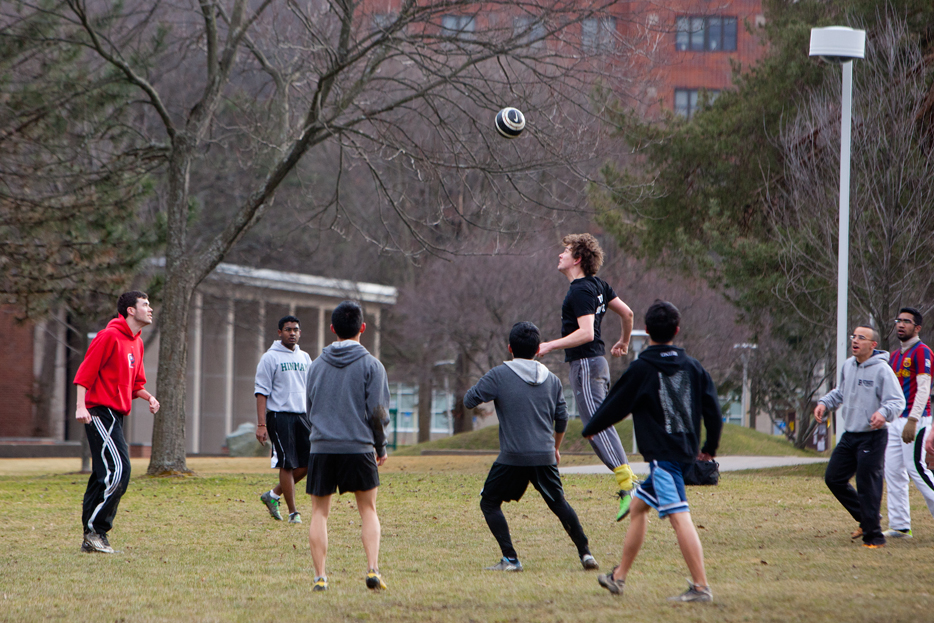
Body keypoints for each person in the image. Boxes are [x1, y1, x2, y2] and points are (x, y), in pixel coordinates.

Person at [583, 300, 721, 603]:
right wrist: (709, 447)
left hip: (664, 458)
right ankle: (618, 578)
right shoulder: (693, 366)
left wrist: (591, 427)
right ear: (677, 330)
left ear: (648, 332)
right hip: (684, 451)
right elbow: (713, 409)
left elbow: (616, 403)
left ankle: (701, 587)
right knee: (637, 509)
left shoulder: (643, 367)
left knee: (679, 517)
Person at [464, 322, 600, 573]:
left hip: (512, 457)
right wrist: (556, 448)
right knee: (559, 503)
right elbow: (562, 418)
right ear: (538, 349)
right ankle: (586, 554)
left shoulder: (499, 375)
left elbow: (469, 399)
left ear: (509, 348)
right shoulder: (553, 380)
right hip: (545, 455)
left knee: (489, 502)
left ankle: (511, 559)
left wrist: (492, 387)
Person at [538, 233, 636, 521]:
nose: (560, 255)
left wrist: (550, 345)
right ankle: (630, 484)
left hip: (585, 366)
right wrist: (624, 342)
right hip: (598, 365)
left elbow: (587, 332)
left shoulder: (580, 290)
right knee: (599, 425)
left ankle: (629, 488)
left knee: (594, 427)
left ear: (577, 259)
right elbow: (627, 313)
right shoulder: (599, 286)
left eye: (565, 251)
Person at [305, 301, 391, 592]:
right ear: (362, 328)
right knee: (368, 510)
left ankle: (320, 577)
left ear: (332, 329)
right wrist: (380, 447)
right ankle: (372, 570)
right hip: (359, 447)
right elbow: (378, 413)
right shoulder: (372, 366)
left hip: (322, 448)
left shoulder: (315, 366)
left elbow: (309, 409)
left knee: (319, 512)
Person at [74, 291, 160, 554]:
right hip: (99, 411)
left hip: (117, 416)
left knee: (103, 475)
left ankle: (91, 536)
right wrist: (80, 406)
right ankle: (96, 531)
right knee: (119, 470)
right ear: (130, 311)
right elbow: (84, 373)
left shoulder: (138, 342)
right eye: (145, 304)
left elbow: (135, 384)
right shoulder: (108, 336)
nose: (151, 309)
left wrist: (148, 396)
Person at [814, 326, 905, 548]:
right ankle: (866, 519)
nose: (855, 341)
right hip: (850, 435)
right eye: (853, 336)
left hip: (872, 437)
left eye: (861, 338)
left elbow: (897, 401)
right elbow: (841, 392)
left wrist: (882, 414)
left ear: (873, 345)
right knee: (833, 478)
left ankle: (874, 537)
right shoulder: (848, 366)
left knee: (867, 485)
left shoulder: (882, 370)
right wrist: (824, 403)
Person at [255, 315, 313, 524]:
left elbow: (311, 390)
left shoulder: (305, 358)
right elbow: (261, 393)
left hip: (302, 416)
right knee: (287, 464)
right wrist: (262, 424)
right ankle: (293, 512)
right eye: (288, 330)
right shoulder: (270, 358)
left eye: (296, 330)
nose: (292, 333)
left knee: (309, 461)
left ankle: (272, 495)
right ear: (280, 333)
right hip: (279, 416)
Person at [882, 307, 934, 538]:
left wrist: (913, 420)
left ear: (917, 327)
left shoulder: (922, 352)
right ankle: (901, 526)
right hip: (896, 421)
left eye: (907, 321)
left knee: (917, 468)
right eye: (899, 321)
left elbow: (924, 389)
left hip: (917, 419)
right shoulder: (894, 356)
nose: (901, 325)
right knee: (893, 471)